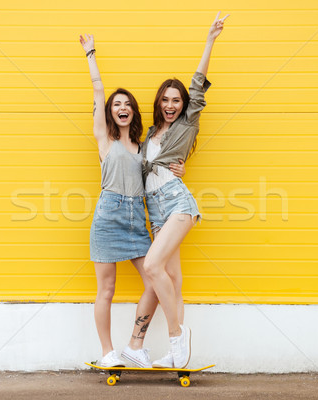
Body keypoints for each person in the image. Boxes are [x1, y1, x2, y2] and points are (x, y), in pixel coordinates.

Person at [79, 34, 186, 368]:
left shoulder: (142, 147)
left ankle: (134, 346)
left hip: (136, 221)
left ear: (132, 112)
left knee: (156, 280)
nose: (122, 108)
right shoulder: (104, 139)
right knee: (106, 291)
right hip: (108, 217)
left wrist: (178, 168)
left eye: (127, 104)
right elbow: (98, 91)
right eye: (116, 105)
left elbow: (160, 166)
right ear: (110, 113)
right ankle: (108, 353)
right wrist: (91, 55)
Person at [140, 12, 230, 369]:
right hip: (156, 210)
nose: (172, 105)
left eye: (177, 100)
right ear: (160, 102)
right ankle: (177, 352)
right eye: (167, 100)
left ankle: (178, 335)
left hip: (177, 203)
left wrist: (210, 40)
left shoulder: (187, 124)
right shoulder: (149, 134)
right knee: (171, 278)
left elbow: (197, 85)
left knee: (151, 266)